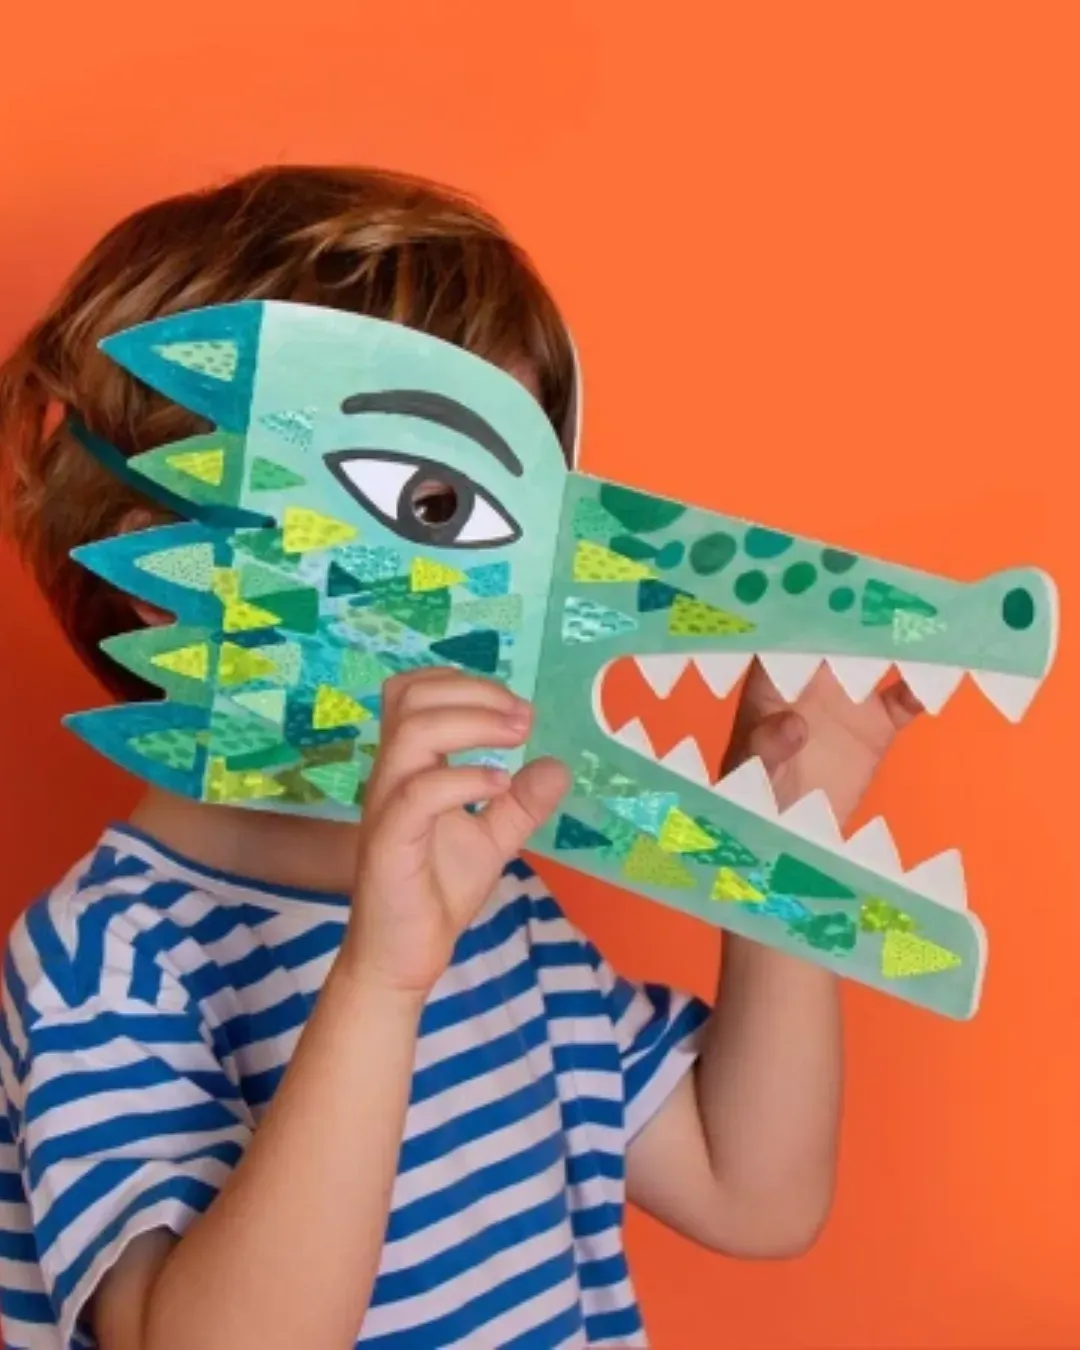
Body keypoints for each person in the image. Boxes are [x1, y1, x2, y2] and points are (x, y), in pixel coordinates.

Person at [0, 164, 923, 1350]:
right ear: (172, 579)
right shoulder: (106, 965)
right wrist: (380, 985)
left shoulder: (492, 900)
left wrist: (778, 846)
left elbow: (755, 1195)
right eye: (436, 510)